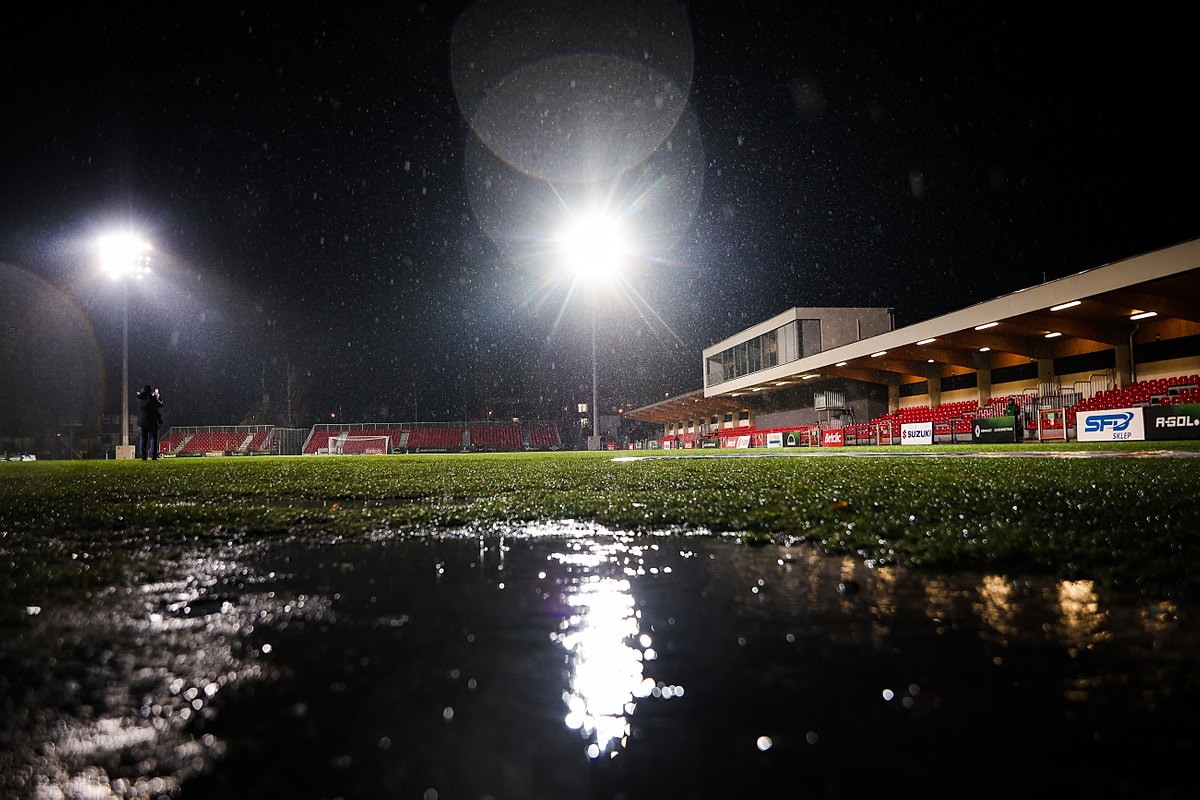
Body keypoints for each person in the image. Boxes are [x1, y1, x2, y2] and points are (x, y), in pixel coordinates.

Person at [136, 384, 164, 460]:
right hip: (152, 421)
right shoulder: (152, 398)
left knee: (143, 439)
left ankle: (143, 456)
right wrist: (158, 397)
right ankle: (153, 456)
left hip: (142, 421)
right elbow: (160, 405)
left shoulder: (139, 399)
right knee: (153, 439)